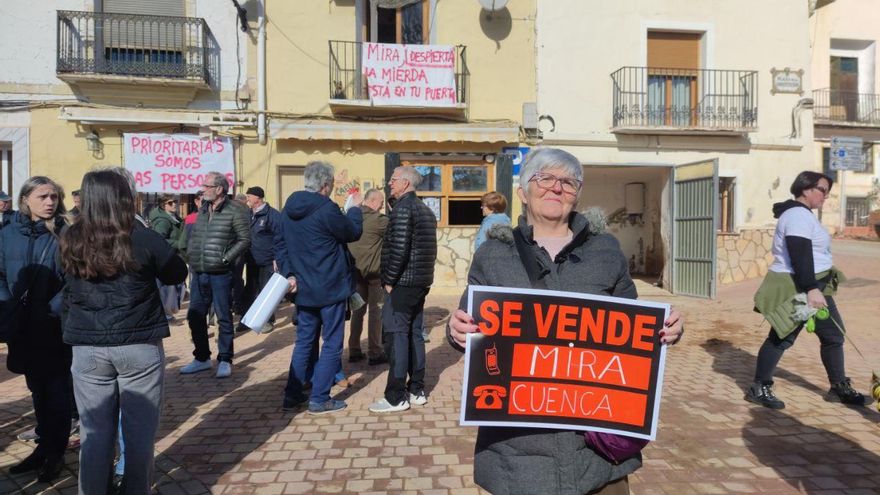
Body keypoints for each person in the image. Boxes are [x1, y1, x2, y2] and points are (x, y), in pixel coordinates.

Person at [447, 148, 684, 495]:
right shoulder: (493, 256)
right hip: (517, 453)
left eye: (568, 182)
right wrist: (456, 331)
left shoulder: (605, 251)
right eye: (544, 178)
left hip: (595, 456)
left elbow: (633, 324)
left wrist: (667, 329)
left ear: (577, 193)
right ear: (522, 193)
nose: (556, 188)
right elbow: (470, 324)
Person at [61, 169, 188, 494]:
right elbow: (177, 272)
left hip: (88, 347)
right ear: (124, 198)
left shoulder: (71, 237)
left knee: (94, 433)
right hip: (138, 344)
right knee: (139, 435)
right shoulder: (141, 235)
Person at [747, 171, 867, 409]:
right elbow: (799, 253)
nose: (825, 196)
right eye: (822, 190)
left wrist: (816, 288)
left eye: (827, 192)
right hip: (802, 287)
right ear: (806, 189)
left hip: (815, 286)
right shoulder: (797, 216)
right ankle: (759, 387)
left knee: (833, 336)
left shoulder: (803, 215)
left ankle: (838, 386)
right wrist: (811, 289)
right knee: (782, 337)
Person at [276, 161, 363, 415]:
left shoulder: (288, 208)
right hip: (330, 286)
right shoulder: (327, 208)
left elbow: (279, 244)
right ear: (326, 185)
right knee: (332, 343)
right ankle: (320, 398)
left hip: (303, 287)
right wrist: (355, 210)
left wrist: (289, 274)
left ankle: (292, 395)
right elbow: (352, 232)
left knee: (304, 341)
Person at [0, 176, 71, 482]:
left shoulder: (65, 234)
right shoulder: (7, 233)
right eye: (42, 196)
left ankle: (55, 453)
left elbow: (74, 281)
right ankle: (43, 447)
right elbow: (1, 274)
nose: (49, 202)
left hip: (54, 327)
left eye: (54, 196)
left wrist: (51, 310)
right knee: (36, 389)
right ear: (25, 199)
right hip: (21, 325)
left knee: (58, 392)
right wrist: (7, 306)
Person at [368, 166, 437, 413]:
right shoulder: (425, 211)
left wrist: (388, 280)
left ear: (406, 184)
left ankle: (396, 396)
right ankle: (417, 389)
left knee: (396, 335)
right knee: (414, 334)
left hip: (403, 283)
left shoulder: (403, 210)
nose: (389, 183)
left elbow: (399, 250)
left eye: (394, 180)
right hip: (419, 282)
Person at [182, 171, 251, 378]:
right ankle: (202, 358)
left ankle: (224, 359)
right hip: (199, 271)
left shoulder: (235, 210)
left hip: (221, 273)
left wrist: (226, 258)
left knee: (223, 316)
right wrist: (191, 257)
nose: (202, 190)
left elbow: (245, 239)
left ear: (219, 189)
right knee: (195, 315)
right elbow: (193, 237)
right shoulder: (202, 210)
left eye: (206, 186)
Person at [347, 188, 389, 365]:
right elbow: (396, 227)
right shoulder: (378, 220)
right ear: (372, 201)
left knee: (358, 310)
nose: (381, 205)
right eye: (380, 202)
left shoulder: (351, 217)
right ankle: (375, 351)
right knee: (376, 311)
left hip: (355, 273)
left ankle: (354, 349)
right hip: (374, 274)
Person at [242, 186, 283, 332]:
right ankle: (247, 320)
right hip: (251, 259)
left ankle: (267, 320)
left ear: (258, 198)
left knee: (267, 291)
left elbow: (279, 238)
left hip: (267, 260)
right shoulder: (248, 214)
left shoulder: (273, 215)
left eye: (249, 196)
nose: (247, 199)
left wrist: (276, 257)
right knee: (251, 289)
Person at [149, 195, 185, 320]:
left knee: (174, 286)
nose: (174, 204)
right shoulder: (163, 221)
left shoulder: (173, 217)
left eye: (175, 201)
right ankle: (166, 314)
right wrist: (179, 244)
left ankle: (167, 313)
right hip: (167, 257)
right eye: (170, 203)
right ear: (164, 205)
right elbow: (160, 239)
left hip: (173, 256)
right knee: (167, 287)